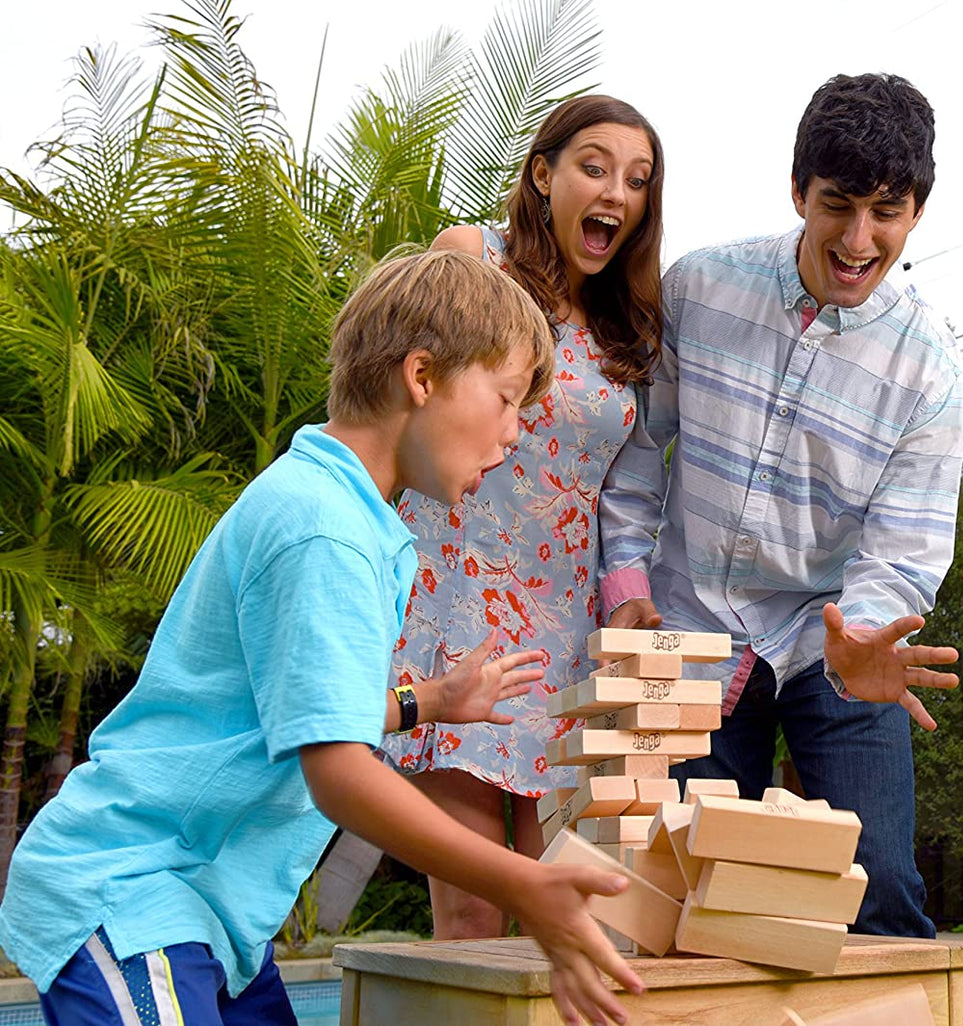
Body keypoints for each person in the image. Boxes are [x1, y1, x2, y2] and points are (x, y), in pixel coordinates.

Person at [0, 251, 645, 1026]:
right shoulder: (324, 529)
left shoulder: (353, 518)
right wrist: (522, 883)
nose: (514, 434)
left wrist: (430, 700)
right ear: (421, 376)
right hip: (130, 893)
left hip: (210, 915)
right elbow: (337, 773)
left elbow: (301, 708)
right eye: (507, 400)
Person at [598, 73, 963, 939]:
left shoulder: (932, 376)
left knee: (878, 886)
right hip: (684, 623)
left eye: (886, 212)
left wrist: (861, 636)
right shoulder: (698, 289)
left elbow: (901, 553)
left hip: (831, 641)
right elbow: (636, 449)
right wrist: (624, 580)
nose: (857, 239)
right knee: (667, 892)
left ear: (916, 212)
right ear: (798, 190)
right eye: (837, 205)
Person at [380, 94, 663, 940]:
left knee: (565, 911)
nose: (615, 193)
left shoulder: (630, 326)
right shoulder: (471, 257)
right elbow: (392, 407)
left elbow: (627, 489)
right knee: (471, 908)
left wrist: (629, 595)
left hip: (566, 636)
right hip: (456, 611)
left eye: (637, 181)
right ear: (543, 174)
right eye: (594, 168)